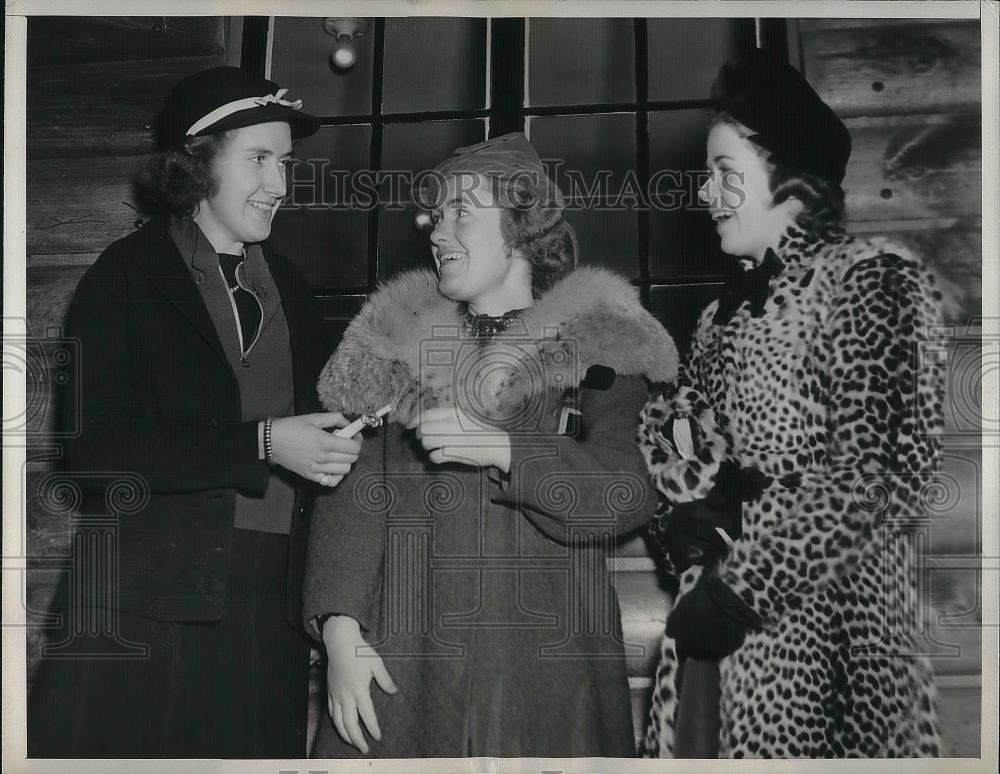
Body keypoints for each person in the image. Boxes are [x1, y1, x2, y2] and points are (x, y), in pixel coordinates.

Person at [302, 132, 680, 757]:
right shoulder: (396, 348)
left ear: (519, 227)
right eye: (437, 215)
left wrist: (504, 451)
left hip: (552, 669)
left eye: (461, 214)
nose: (438, 232)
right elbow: (352, 502)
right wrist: (340, 636)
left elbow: (629, 489)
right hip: (406, 664)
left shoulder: (601, 351)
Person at [27, 66, 362, 758]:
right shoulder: (123, 278)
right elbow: (94, 454)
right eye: (259, 160)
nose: (279, 184)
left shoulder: (294, 291)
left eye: (286, 164)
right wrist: (263, 443)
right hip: (139, 606)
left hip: (268, 613)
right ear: (198, 163)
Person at [637, 50, 945, 758]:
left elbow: (881, 478)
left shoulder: (872, 283)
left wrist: (745, 592)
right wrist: (680, 521)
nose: (705, 194)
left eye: (724, 173)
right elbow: (697, 458)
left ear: (793, 180)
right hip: (716, 635)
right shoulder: (717, 319)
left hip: (834, 644)